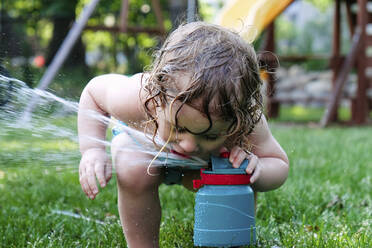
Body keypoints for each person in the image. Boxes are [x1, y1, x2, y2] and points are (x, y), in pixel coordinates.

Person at [78, 21, 289, 248]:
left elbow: (279, 164)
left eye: (210, 135)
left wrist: (255, 170)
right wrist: (92, 150)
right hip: (145, 145)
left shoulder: (245, 118)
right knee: (132, 166)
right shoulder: (140, 96)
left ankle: (232, 239)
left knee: (237, 168)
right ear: (158, 99)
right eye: (178, 128)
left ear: (237, 120)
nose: (188, 145)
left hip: (208, 166)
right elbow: (93, 91)